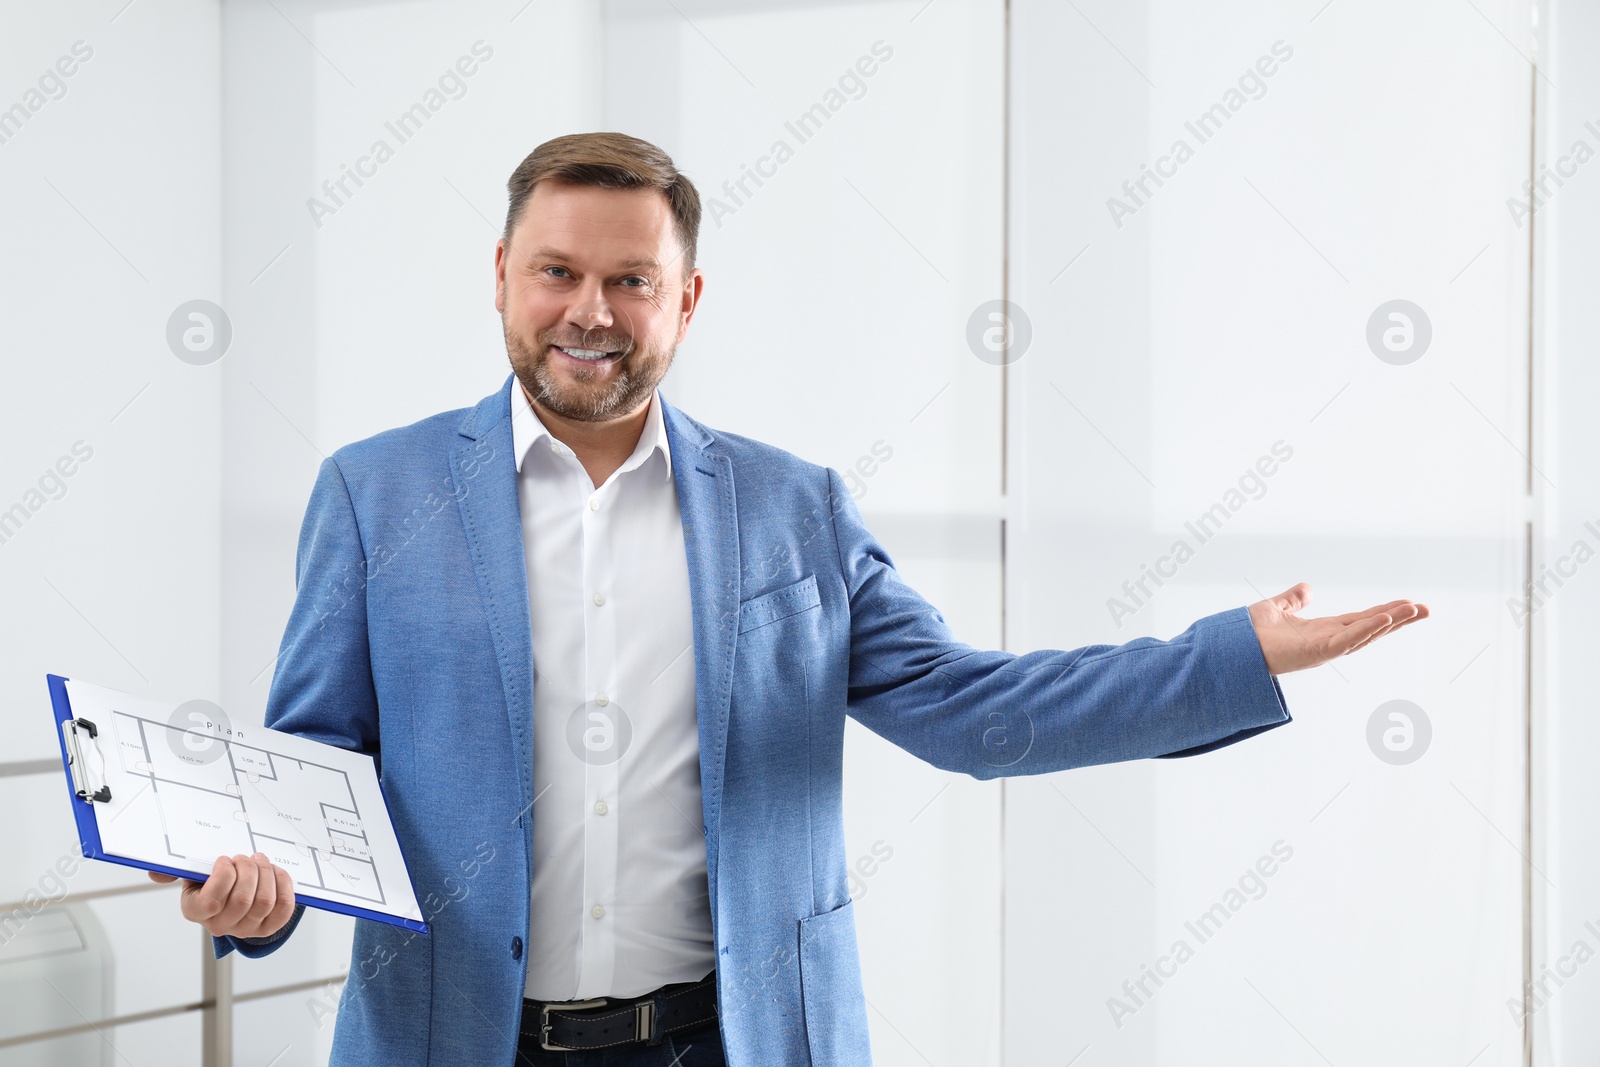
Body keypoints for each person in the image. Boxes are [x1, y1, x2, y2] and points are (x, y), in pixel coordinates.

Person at [151, 132, 1428, 1066]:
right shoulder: (379, 492)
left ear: (685, 300)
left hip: (740, 1037)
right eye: (555, 272)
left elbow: (965, 707)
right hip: (453, 1037)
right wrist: (256, 886)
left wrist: (1234, 653)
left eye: (632, 280)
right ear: (499, 277)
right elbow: (315, 752)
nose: (589, 311)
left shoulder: (791, 506)